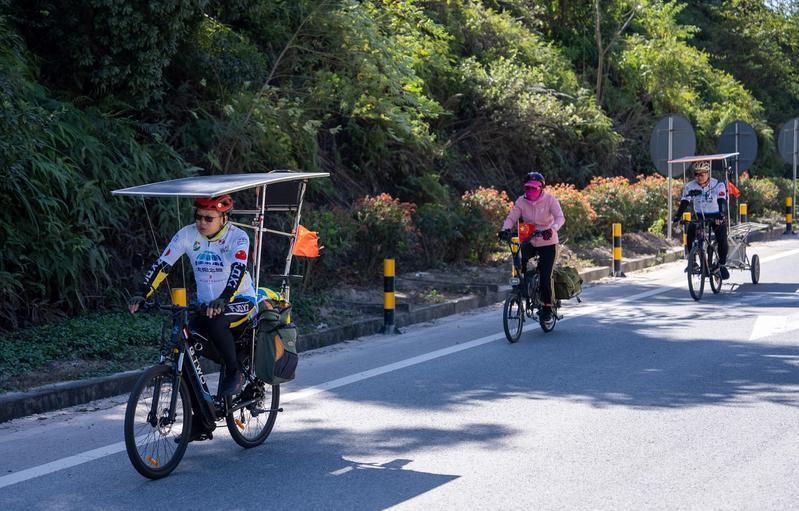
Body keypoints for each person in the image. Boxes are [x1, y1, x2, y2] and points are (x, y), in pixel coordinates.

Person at [128, 194, 257, 396]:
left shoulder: (238, 237)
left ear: (224, 218)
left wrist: (224, 298)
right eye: (198, 216)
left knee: (216, 322)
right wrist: (142, 292)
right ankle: (199, 418)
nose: (201, 222)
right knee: (187, 340)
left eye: (208, 218)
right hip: (206, 304)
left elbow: (238, 270)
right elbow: (163, 264)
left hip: (240, 299)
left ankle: (234, 370)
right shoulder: (187, 234)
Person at [498, 171, 565, 322]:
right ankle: (524, 291)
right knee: (520, 268)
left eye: (534, 188)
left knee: (545, 276)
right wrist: (504, 230)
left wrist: (552, 229)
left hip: (548, 241)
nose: (531, 191)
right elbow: (511, 218)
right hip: (528, 239)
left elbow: (560, 217)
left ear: (541, 188)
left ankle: (547, 308)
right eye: (528, 188)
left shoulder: (550, 200)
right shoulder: (521, 201)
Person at [672, 160, 730, 279]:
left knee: (722, 238)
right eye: (696, 174)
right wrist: (678, 216)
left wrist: (722, 215)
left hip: (716, 214)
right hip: (699, 215)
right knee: (690, 235)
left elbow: (722, 201)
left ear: (708, 173)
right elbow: (684, 202)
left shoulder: (717, 184)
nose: (698, 177)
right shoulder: (690, 186)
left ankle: (722, 265)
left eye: (702, 174)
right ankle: (692, 262)